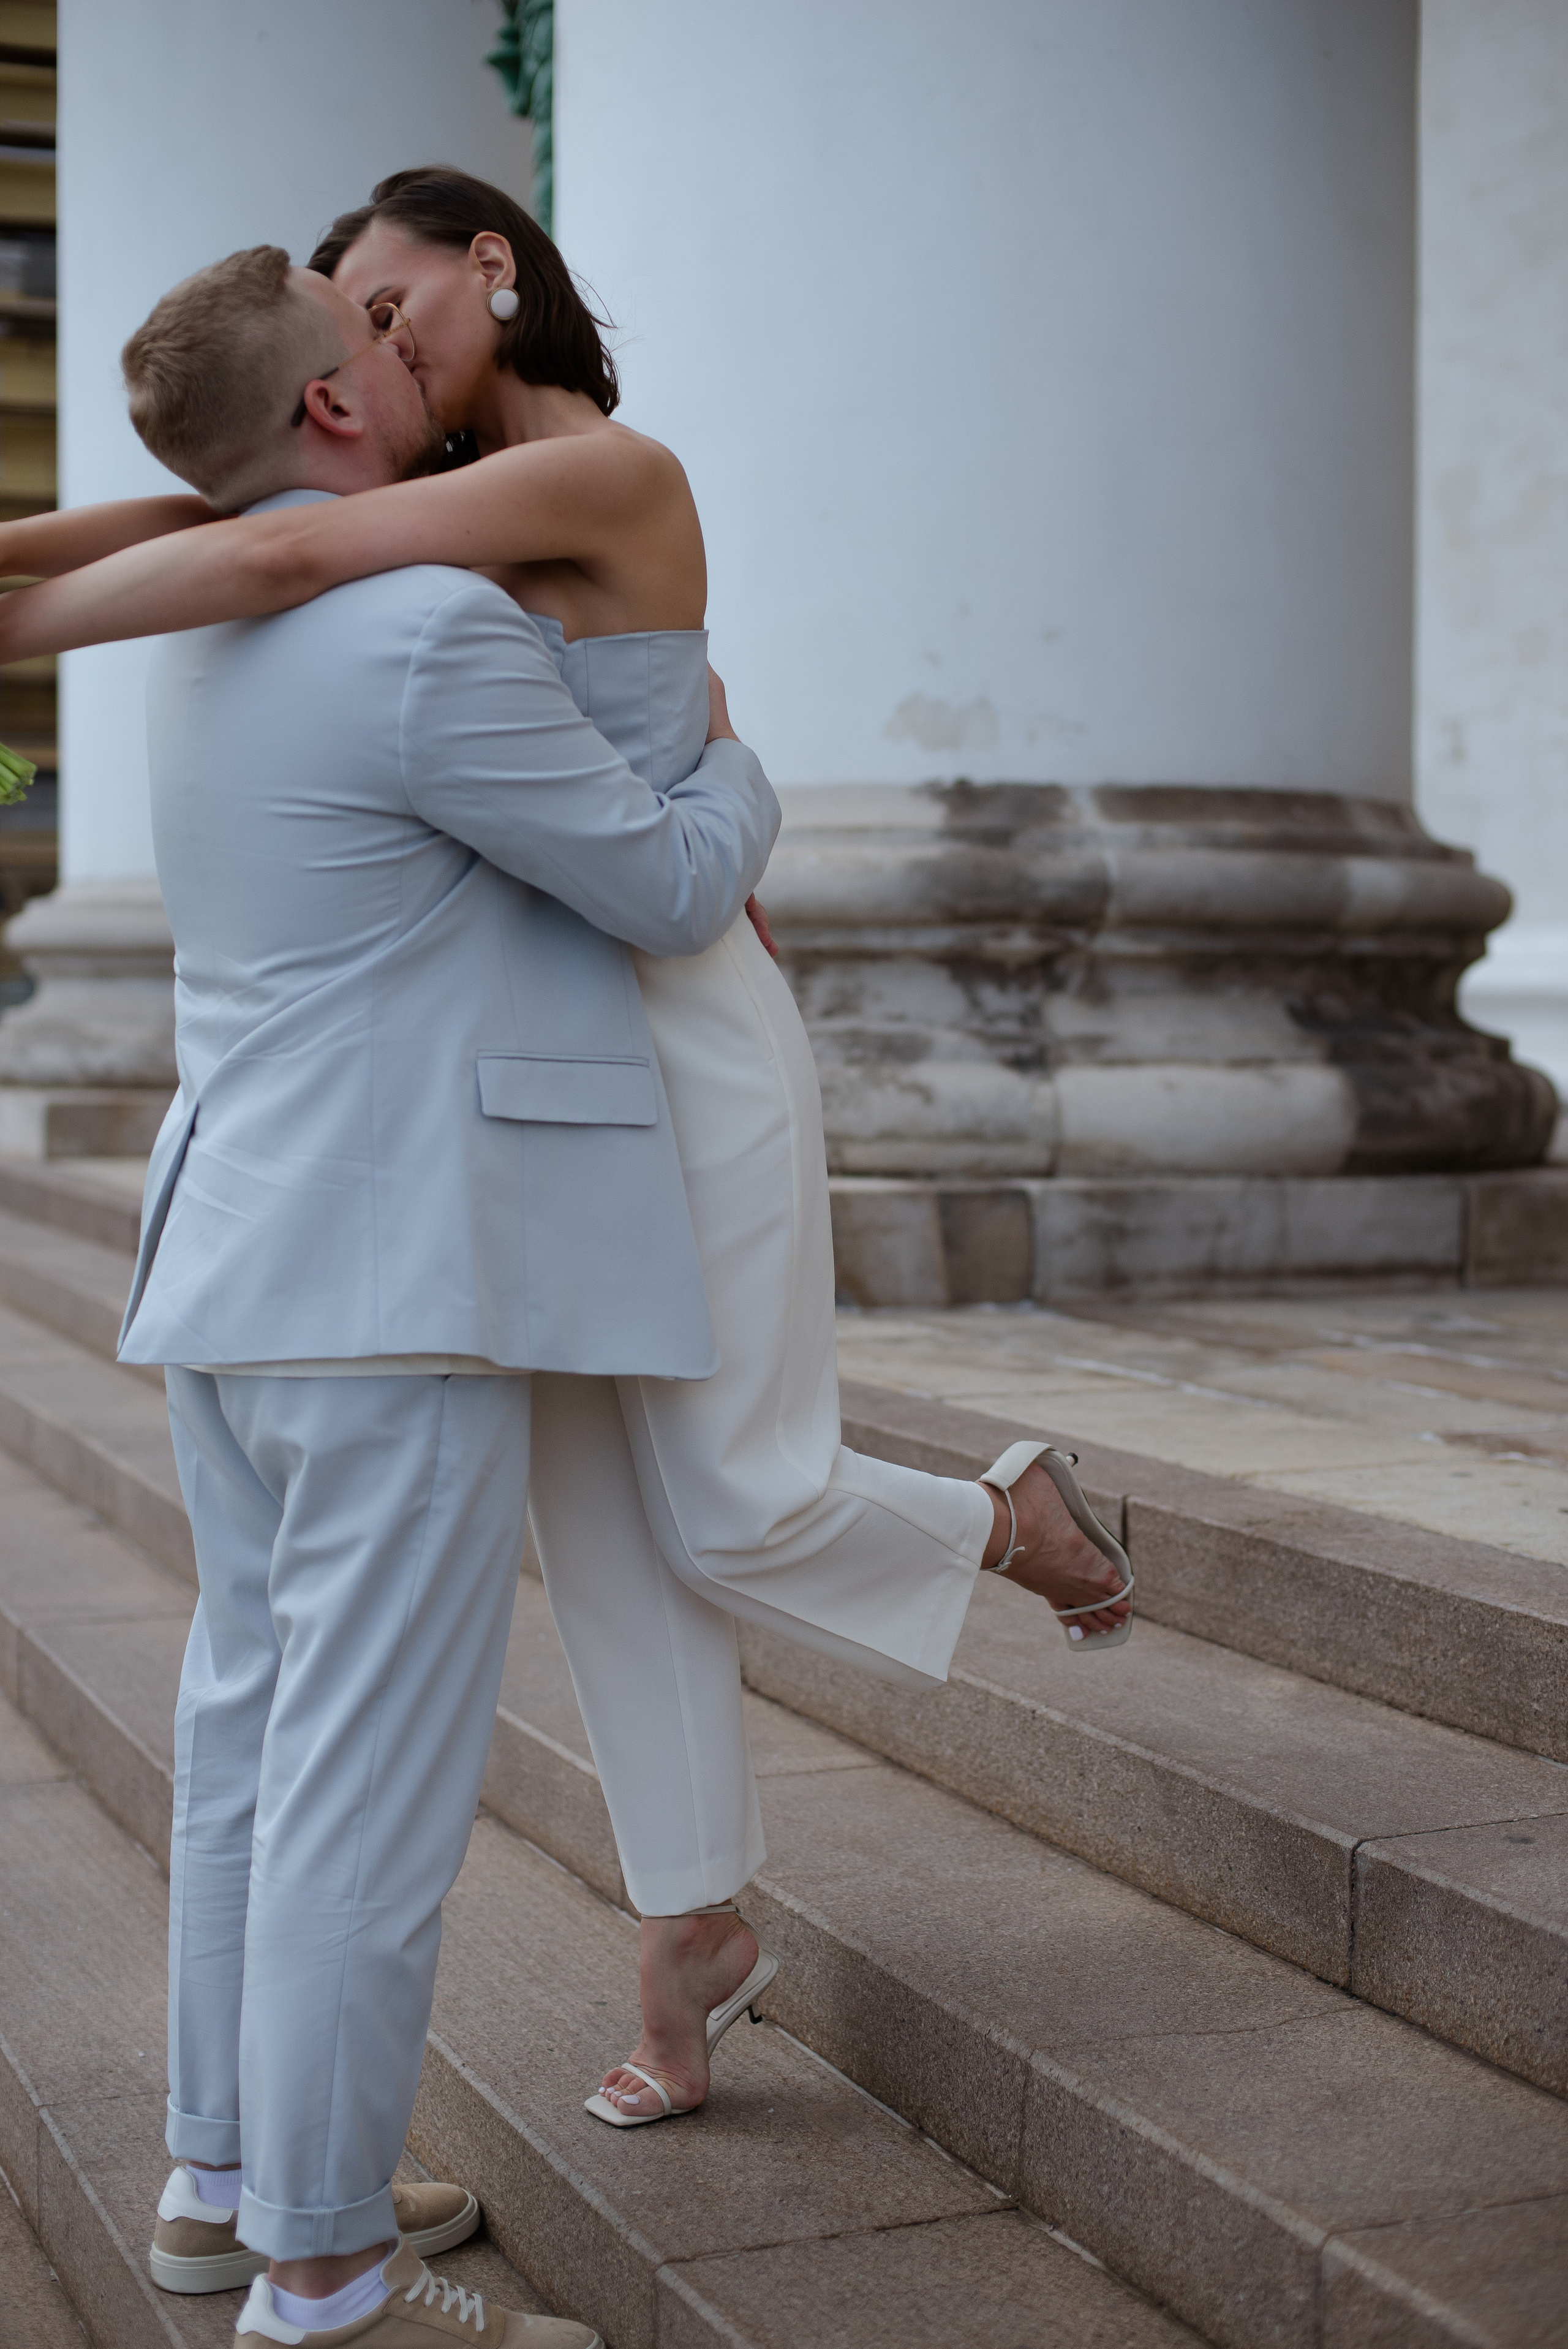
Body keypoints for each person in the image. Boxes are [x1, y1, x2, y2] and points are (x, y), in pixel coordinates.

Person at [0, 169, 1133, 2136]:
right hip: (545, 1064)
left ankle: (1006, 1518)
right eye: (348, 316)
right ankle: (690, 1934)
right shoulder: (405, 496)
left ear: (490, 266)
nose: (380, 336)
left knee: (735, 1499)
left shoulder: (609, 475)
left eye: (394, 294)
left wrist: (738, 767)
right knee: (609, 1535)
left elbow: (260, 562)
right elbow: (221, 511)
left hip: (681, 1028)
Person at [77, 242, 780, 2347]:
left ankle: (230, 2183)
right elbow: (667, 878)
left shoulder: (197, 642)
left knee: (254, 1749)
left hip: (237, 1264)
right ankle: (326, 2279)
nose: (395, 345)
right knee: (364, 1801)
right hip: (398, 1278)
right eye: (361, 329)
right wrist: (745, 761)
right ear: (327, 413)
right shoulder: (424, 632)